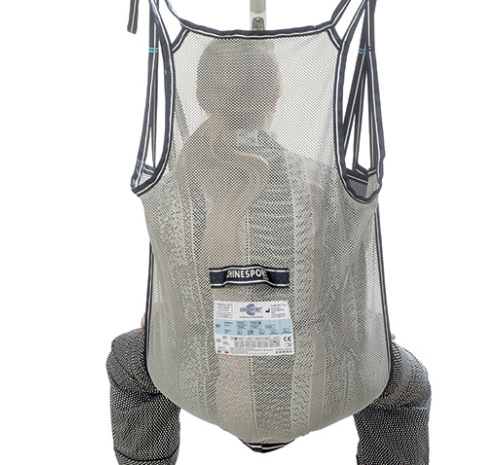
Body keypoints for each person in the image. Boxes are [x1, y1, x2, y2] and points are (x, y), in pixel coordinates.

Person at [108, 40, 431, 464]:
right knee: (409, 386)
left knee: (127, 361)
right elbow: (349, 302)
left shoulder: (175, 190)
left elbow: (177, 307)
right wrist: (371, 334)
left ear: (202, 98)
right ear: (276, 98)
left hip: (202, 386)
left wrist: (162, 327)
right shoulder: (322, 184)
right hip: (321, 390)